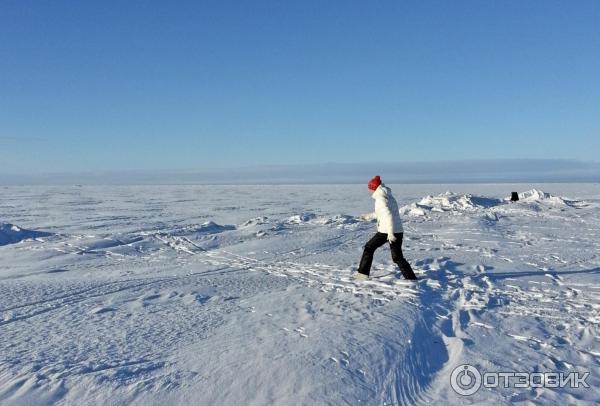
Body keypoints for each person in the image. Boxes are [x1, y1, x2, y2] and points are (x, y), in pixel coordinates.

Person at [355, 176, 417, 280]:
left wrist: (390, 233)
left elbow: (388, 216)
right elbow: (382, 213)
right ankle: (411, 278)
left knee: (369, 248)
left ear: (373, 188)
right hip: (397, 230)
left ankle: (362, 275)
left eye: (370, 188)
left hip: (386, 231)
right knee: (397, 257)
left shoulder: (380, 199)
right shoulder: (388, 196)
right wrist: (368, 216)